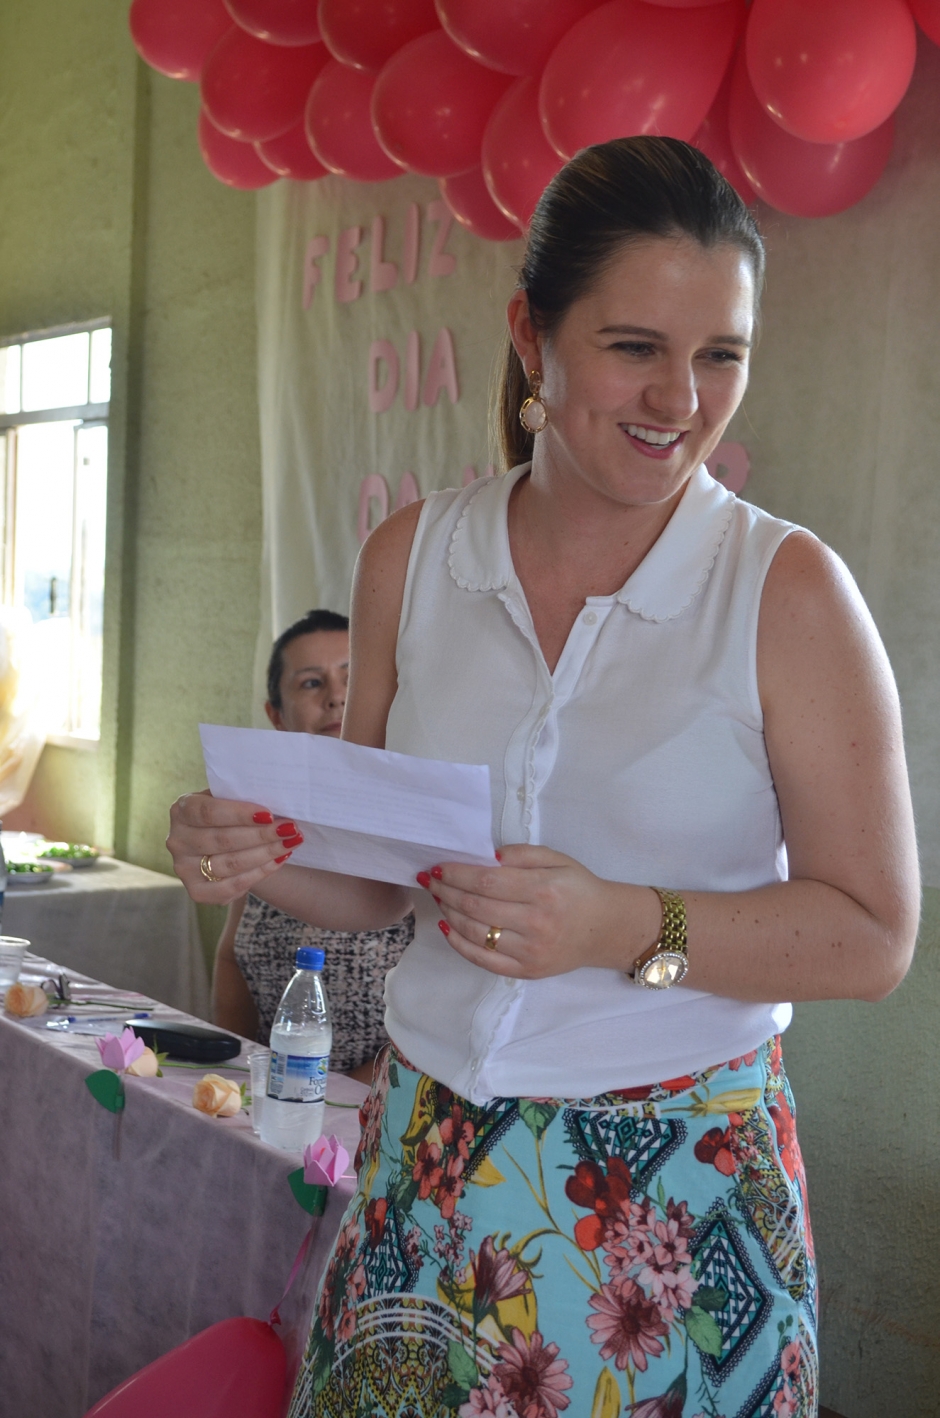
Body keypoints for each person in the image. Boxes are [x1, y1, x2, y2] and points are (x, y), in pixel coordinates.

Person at [169, 138, 919, 1417]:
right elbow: (389, 877)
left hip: (672, 1183)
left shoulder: (783, 590)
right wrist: (260, 849)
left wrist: (620, 922)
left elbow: (871, 934)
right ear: (531, 334)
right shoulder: (416, 556)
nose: (681, 397)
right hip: (425, 1160)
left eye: (722, 353)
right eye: (635, 346)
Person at [210, 608, 413, 1082]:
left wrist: (337, 1097)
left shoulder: (412, 821)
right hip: (268, 1095)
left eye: (353, 678)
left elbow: (445, 1010)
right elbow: (231, 958)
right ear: (276, 715)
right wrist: (238, 1072)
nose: (337, 696)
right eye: (311, 683)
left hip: (384, 1105)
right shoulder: (266, 818)